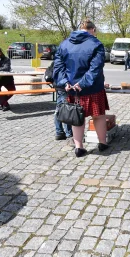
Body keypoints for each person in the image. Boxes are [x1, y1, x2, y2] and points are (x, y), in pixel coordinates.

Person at [53, 19, 109, 157]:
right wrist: (82, 83)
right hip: (92, 88)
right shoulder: (96, 43)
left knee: (77, 117)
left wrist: (65, 82)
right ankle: (102, 143)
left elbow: (58, 67)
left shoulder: (64, 44)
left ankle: (79, 147)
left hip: (71, 88)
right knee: (98, 116)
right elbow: (95, 68)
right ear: (93, 30)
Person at [47, 54, 73, 142]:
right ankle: (68, 133)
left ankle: (59, 132)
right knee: (67, 110)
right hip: (65, 87)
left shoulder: (56, 60)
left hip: (58, 87)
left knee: (59, 109)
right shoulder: (67, 59)